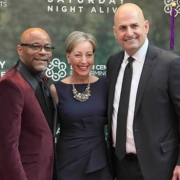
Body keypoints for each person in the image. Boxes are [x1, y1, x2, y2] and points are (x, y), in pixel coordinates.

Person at [106, 3, 180, 180]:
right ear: (115, 32)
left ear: (145, 26)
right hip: (120, 165)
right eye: (122, 28)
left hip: (160, 166)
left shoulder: (170, 64)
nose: (129, 33)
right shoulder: (113, 63)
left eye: (134, 26)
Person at [50, 31, 113, 180]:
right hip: (67, 162)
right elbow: (47, 131)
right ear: (68, 57)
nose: (84, 61)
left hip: (99, 161)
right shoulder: (56, 89)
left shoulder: (105, 86)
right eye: (78, 55)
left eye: (89, 55)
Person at [0, 28, 57, 180]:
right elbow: (6, 147)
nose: (43, 52)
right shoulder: (10, 84)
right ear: (20, 49)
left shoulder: (41, 80)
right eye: (35, 46)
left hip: (45, 171)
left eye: (47, 48)